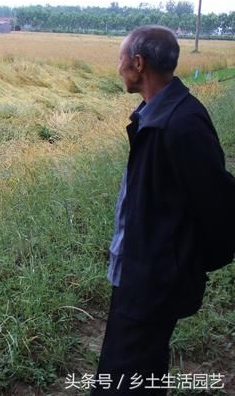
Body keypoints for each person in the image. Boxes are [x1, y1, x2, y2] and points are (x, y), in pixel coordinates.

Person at [92, 25, 235, 395]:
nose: (118, 66)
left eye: (120, 59)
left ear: (138, 64)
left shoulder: (179, 123)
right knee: (139, 370)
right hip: (140, 272)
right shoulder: (155, 115)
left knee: (122, 380)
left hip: (152, 280)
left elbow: (217, 201)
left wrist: (184, 263)